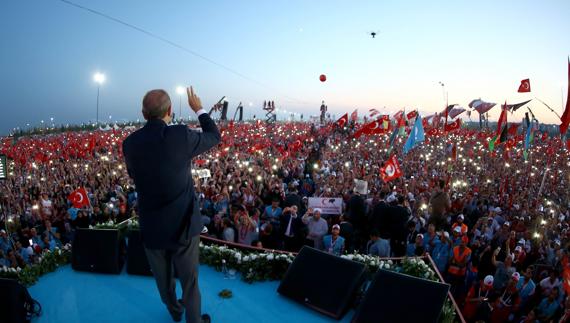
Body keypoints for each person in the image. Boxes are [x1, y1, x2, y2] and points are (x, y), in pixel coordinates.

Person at [123, 87, 220, 323]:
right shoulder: (179, 135)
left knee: (163, 281)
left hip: (152, 224)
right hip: (183, 224)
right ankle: (194, 320)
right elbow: (214, 136)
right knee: (190, 281)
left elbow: (134, 174)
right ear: (170, 110)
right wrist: (199, 108)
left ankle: (175, 312)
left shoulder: (130, 144)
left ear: (143, 114)